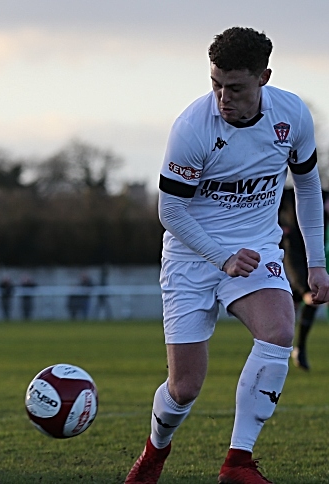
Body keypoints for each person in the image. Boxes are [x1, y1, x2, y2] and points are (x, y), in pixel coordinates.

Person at [125, 27, 329, 484]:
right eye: (215, 84)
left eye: (235, 87)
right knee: (184, 388)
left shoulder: (292, 115)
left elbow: (308, 188)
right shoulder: (193, 127)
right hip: (192, 254)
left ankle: (238, 462)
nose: (222, 97)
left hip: (255, 248)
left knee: (278, 330)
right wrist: (221, 257)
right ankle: (154, 453)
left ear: (264, 78)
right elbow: (170, 209)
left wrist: (316, 262)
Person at [278, 188, 325, 371]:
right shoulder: (285, 194)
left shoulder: (317, 193)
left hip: (312, 251)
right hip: (291, 252)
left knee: (302, 299)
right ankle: (289, 348)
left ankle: (297, 348)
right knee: (308, 296)